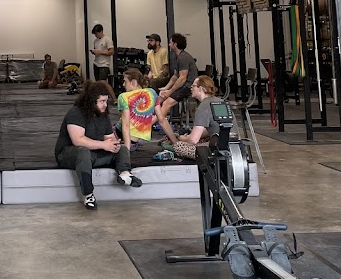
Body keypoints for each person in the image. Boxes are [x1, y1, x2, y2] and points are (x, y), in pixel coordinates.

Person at [55, 80, 142, 209]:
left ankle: (125, 173)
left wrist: (114, 144)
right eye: (102, 101)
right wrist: (104, 145)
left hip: (92, 153)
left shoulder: (103, 115)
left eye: (106, 101)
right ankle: (88, 194)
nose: (105, 105)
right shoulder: (76, 113)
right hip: (68, 154)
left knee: (122, 148)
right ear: (92, 101)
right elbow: (78, 140)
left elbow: (109, 138)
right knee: (83, 152)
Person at [160, 75, 219, 160]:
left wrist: (183, 139)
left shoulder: (202, 107)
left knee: (178, 146)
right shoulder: (219, 101)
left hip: (216, 149)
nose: (191, 87)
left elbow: (193, 140)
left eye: (193, 86)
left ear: (200, 89)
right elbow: (214, 127)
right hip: (232, 145)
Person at [157, 33, 199, 133]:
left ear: (175, 44)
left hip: (189, 87)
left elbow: (182, 78)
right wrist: (166, 88)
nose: (169, 44)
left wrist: (170, 91)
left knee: (167, 103)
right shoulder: (179, 57)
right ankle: (154, 122)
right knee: (160, 97)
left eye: (170, 42)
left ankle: (152, 124)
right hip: (184, 85)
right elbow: (175, 76)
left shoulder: (183, 58)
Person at [117, 68, 165, 147]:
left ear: (133, 82)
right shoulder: (152, 93)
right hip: (139, 138)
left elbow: (125, 126)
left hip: (125, 137)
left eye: (125, 81)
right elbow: (161, 118)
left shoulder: (124, 97)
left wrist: (126, 150)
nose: (123, 85)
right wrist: (175, 141)